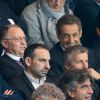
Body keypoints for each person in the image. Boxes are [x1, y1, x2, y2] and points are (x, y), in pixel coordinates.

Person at [47, 14, 95, 79]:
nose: (71, 41)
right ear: (58, 35)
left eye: (75, 35)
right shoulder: (52, 58)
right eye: (66, 36)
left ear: (80, 33)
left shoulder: (91, 53)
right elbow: (58, 85)